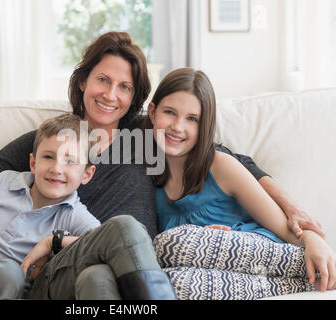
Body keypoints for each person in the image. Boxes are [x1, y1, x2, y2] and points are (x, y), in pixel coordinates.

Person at [0, 31, 325, 297]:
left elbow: (229, 158)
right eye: (102, 80)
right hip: (50, 266)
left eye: (124, 87)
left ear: (137, 100)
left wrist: (291, 209)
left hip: (107, 266)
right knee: (125, 229)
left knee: (98, 282)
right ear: (82, 81)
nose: (110, 95)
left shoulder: (146, 135)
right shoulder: (52, 142)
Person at [0, 114, 177, 299]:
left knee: (10, 274)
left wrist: (54, 241)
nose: (57, 169)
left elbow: (99, 245)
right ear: (33, 162)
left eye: (70, 161)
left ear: (86, 174)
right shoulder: (3, 182)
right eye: (49, 157)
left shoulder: (77, 217)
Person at [144, 67, 336, 298]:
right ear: (153, 113)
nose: (177, 126)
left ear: (204, 125)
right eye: (170, 112)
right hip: (208, 269)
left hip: (258, 249)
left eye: (192, 119)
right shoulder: (143, 175)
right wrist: (207, 242)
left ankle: (315, 273)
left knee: (171, 244)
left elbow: (281, 225)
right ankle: (308, 283)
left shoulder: (221, 165)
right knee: (172, 284)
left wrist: (310, 238)